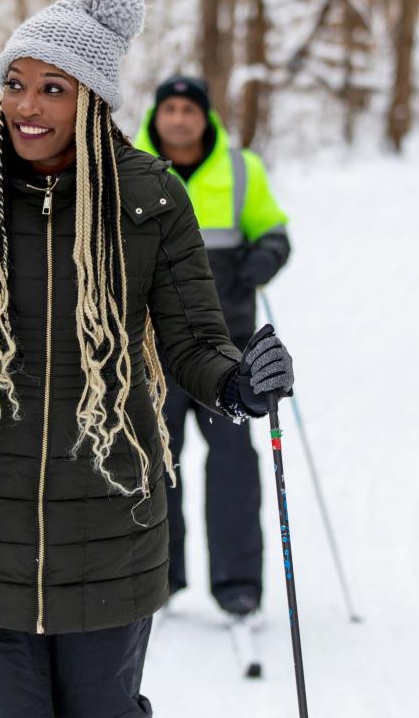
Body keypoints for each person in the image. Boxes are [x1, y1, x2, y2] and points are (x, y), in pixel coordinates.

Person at [0, 0, 294, 717]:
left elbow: (195, 342)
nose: (27, 106)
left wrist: (240, 386)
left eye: (52, 88)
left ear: (94, 100)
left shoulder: (151, 199)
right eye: (15, 84)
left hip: (107, 516)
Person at [134, 75, 291, 618]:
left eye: (189, 109)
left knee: (232, 465)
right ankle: (159, 575)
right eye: (169, 108)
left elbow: (273, 228)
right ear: (157, 116)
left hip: (229, 350)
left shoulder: (241, 168)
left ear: (206, 117)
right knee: (154, 463)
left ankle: (237, 582)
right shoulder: (127, 169)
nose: (178, 119)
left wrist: (266, 254)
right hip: (150, 350)